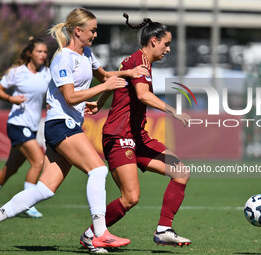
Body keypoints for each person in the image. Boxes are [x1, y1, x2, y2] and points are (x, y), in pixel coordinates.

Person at [0, 8, 149, 252]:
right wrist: (104, 88)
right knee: (98, 169)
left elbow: (103, 76)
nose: (95, 34)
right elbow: (69, 97)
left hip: (68, 125)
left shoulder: (87, 53)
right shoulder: (62, 58)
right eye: (92, 30)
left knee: (44, 190)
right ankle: (100, 233)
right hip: (60, 125)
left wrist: (127, 73)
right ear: (77, 31)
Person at [81, 13, 191, 250]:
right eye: (167, 44)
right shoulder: (138, 61)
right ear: (154, 41)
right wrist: (172, 110)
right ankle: (91, 235)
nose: (168, 49)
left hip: (137, 137)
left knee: (180, 172)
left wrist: (100, 103)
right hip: (119, 136)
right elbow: (142, 95)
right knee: (130, 197)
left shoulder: (138, 62)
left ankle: (163, 230)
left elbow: (116, 79)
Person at [0, 37, 50, 218]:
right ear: (30, 53)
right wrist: (12, 99)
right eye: (39, 51)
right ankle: (28, 203)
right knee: (38, 161)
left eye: (45, 52)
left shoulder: (47, 72)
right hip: (17, 124)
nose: (42, 55)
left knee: (11, 168)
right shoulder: (17, 72)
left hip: (31, 126)